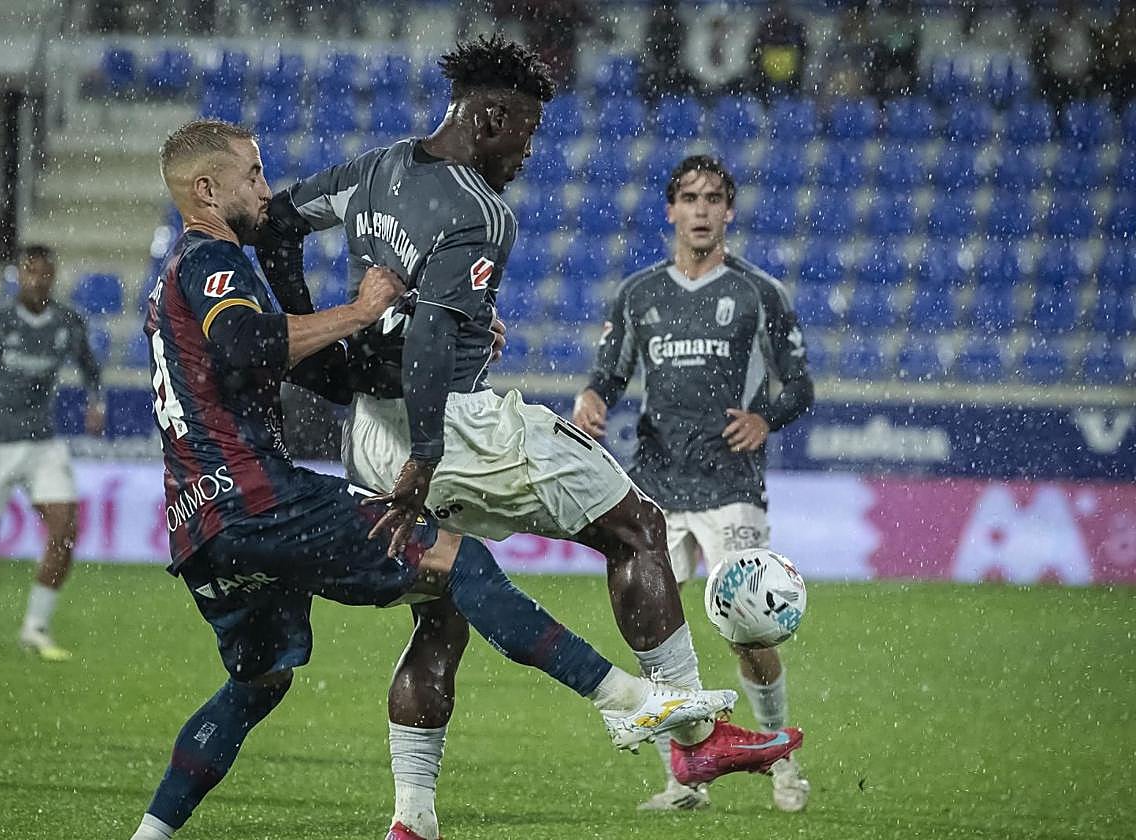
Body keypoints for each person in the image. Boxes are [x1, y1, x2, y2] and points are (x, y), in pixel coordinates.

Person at [257, 35, 804, 840]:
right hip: (445, 429)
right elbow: (432, 337)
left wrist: (331, 347)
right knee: (636, 528)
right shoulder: (480, 212)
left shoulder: (374, 170)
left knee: (440, 613)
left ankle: (412, 819)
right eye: (525, 130)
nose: (528, 149)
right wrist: (428, 452)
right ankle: (695, 739)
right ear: (488, 118)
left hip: (368, 434)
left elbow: (274, 225)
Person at [127, 119, 737, 840]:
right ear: (206, 189)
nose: (265, 189)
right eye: (252, 174)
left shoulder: (175, 276)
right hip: (257, 497)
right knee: (459, 562)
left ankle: (151, 834)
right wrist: (360, 309)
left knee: (259, 682)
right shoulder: (210, 259)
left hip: (199, 526)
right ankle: (625, 700)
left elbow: (317, 369)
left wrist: (445, 335)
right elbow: (246, 343)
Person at [572, 155, 816, 813]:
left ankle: (781, 757)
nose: (701, 210)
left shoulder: (760, 293)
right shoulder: (640, 293)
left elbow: (799, 383)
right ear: (671, 210)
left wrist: (766, 417)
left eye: (713, 199)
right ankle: (682, 782)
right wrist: (593, 397)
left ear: (728, 211)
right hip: (655, 486)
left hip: (730, 483)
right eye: (690, 198)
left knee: (749, 632)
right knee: (652, 628)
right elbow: (610, 372)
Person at [0, 244, 104, 664]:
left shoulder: (67, 322)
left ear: (54, 276)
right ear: (19, 275)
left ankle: (35, 629)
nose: (37, 281)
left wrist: (96, 402)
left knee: (65, 531)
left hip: (42, 443)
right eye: (30, 272)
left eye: (45, 273)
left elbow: (90, 366)